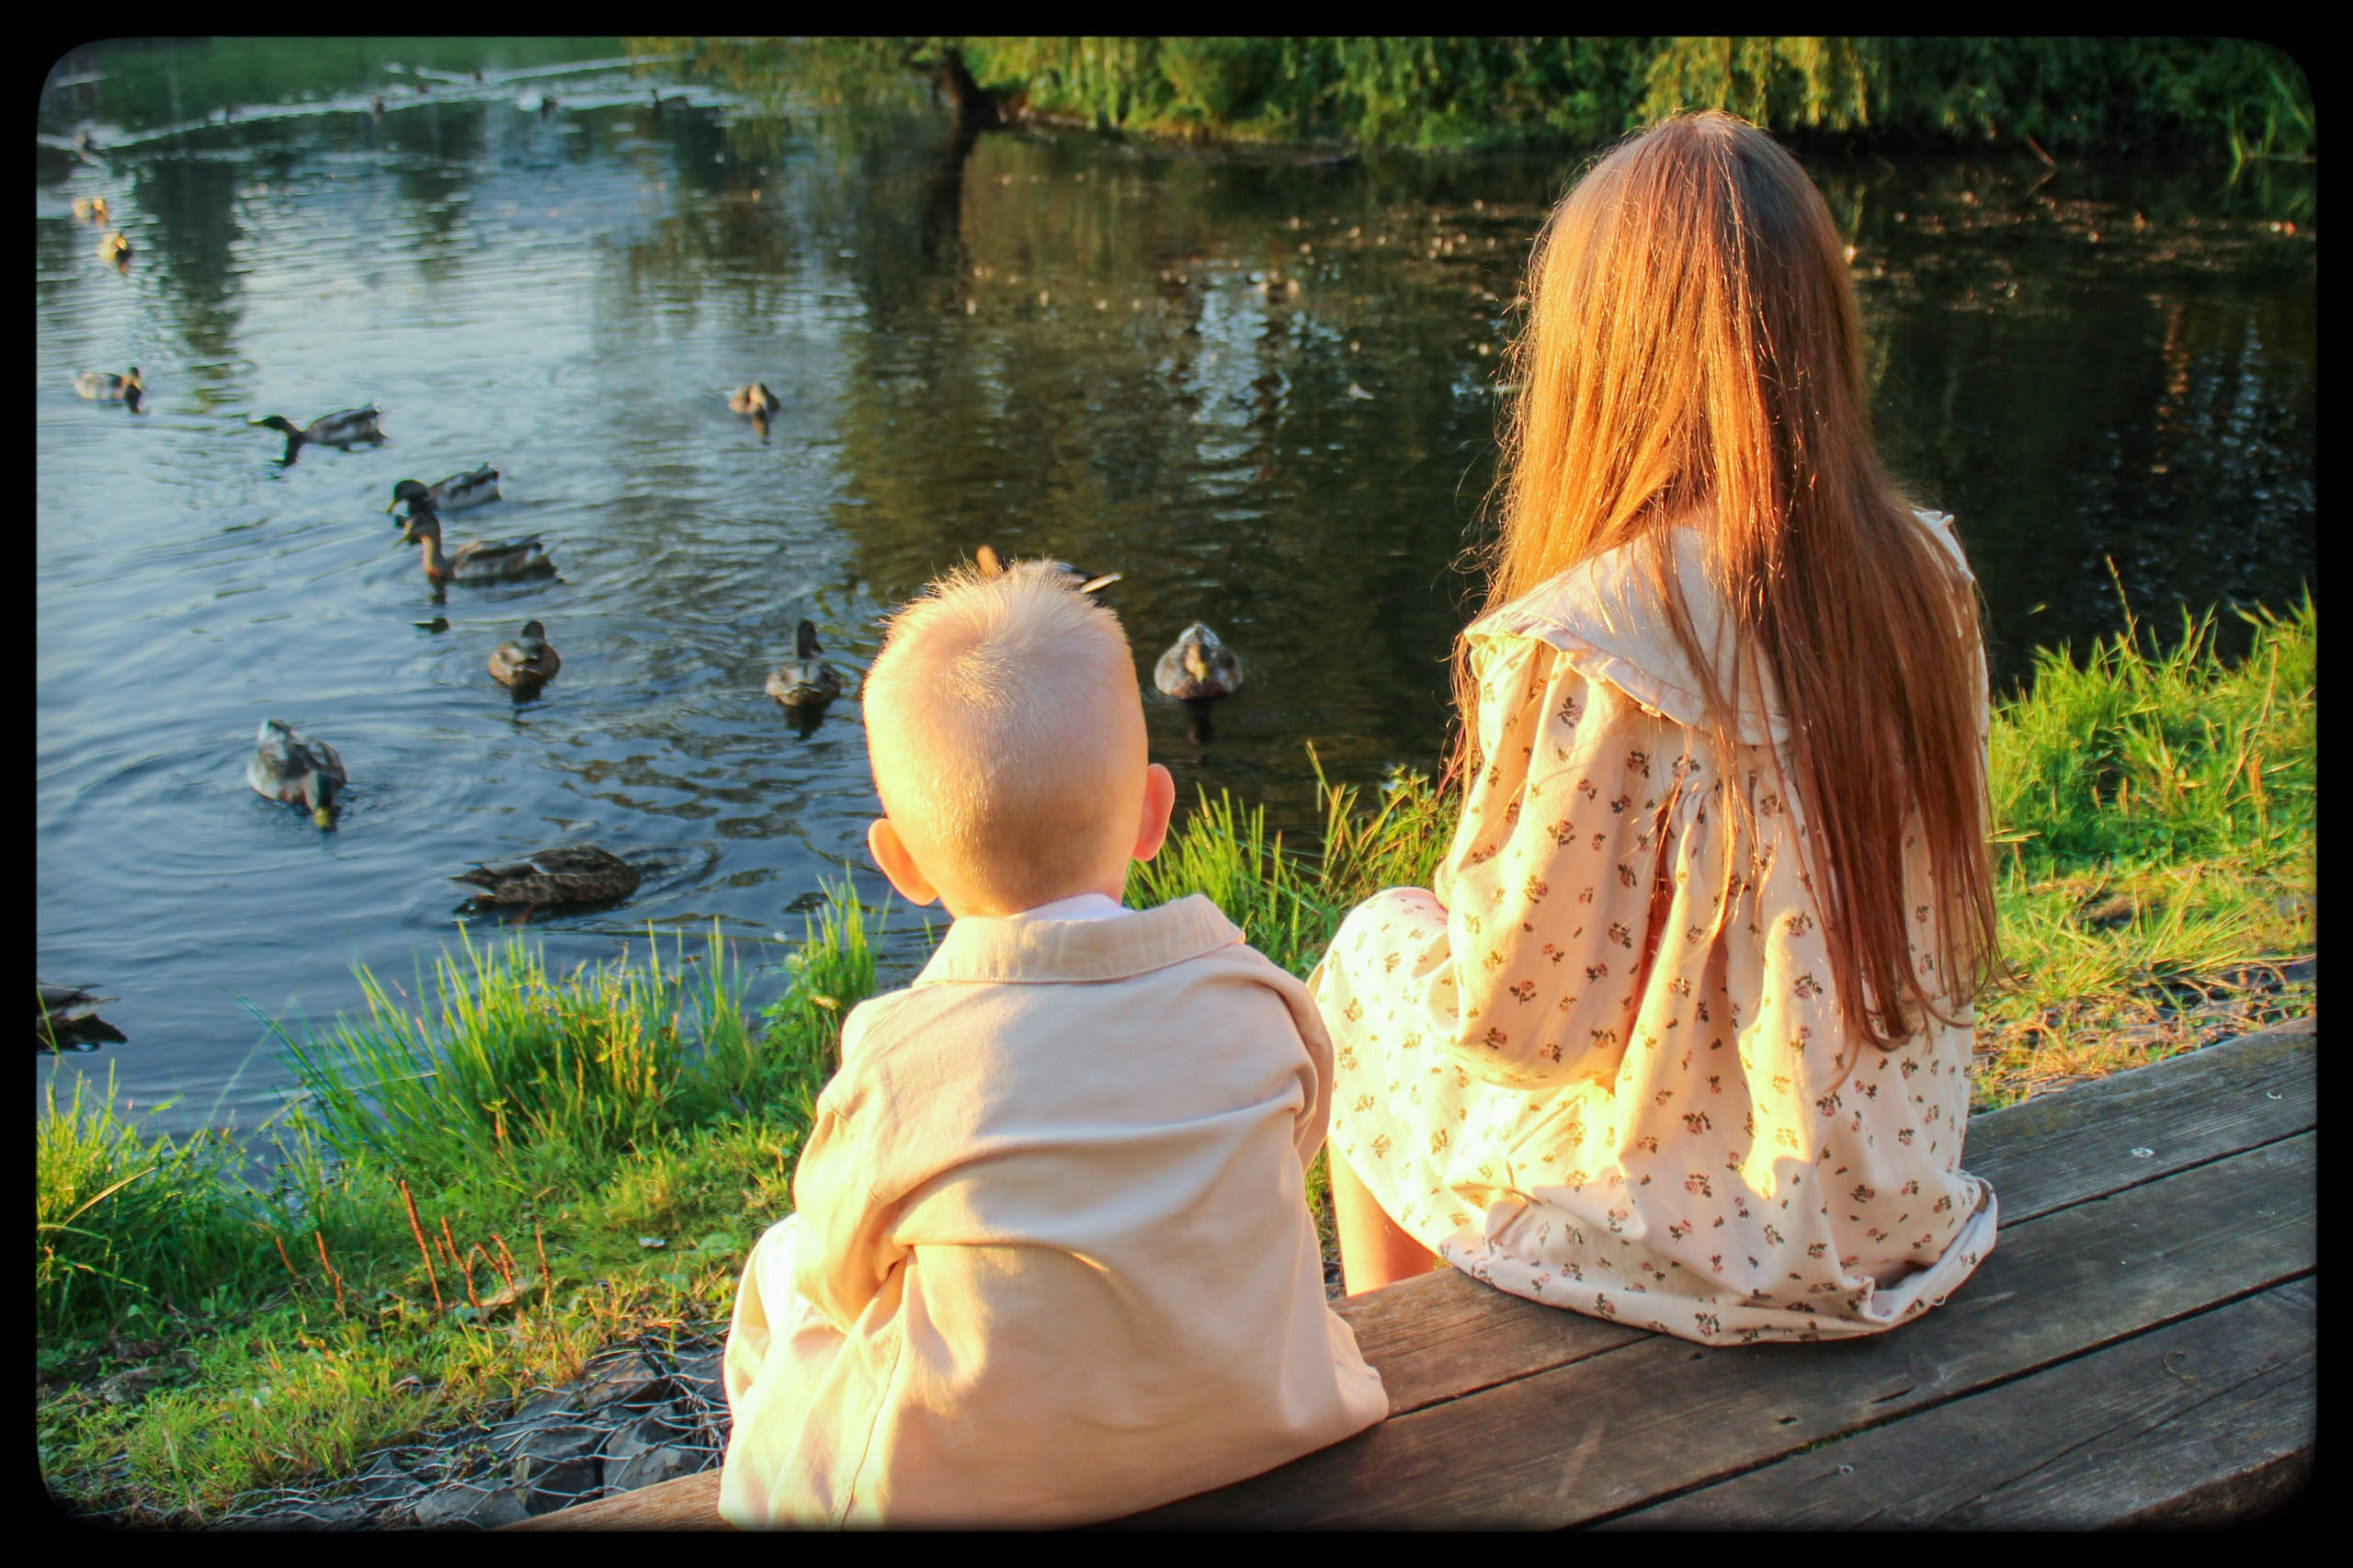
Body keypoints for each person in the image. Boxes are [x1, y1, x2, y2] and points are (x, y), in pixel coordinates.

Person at [1313, 110, 2003, 1346]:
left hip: (1684, 1240)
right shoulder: (1929, 580)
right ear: (1822, 333)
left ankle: (1407, 1365)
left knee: (1372, 955)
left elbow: (1524, 1023)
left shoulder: (1585, 642)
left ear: (1598, 355)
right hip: (1887, 1203)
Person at [718, 567, 1386, 1527]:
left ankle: (772, 1483)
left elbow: (841, 1268)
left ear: (898, 863)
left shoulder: (897, 1057)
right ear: (1155, 812)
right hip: (1268, 1420)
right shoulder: (1255, 995)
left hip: (975, 1487)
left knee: (783, 1266)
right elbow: (1288, 1161)